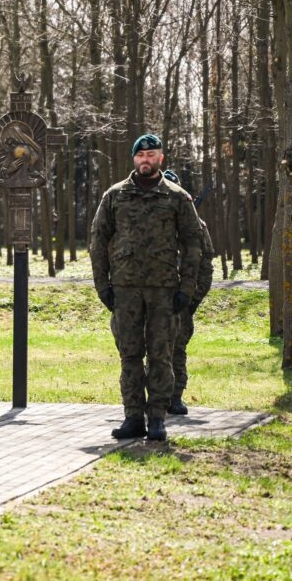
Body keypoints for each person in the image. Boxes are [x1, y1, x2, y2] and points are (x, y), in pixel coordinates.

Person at [89, 134, 202, 442]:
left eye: (151, 155)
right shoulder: (115, 196)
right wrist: (103, 286)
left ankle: (157, 419)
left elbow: (193, 244)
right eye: (141, 156)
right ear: (133, 160)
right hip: (125, 290)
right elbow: (98, 241)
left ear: (161, 159)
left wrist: (186, 288)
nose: (145, 160)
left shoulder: (177, 197)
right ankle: (133, 417)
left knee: (161, 356)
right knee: (129, 356)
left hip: (164, 291)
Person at [162, 170, 215, 416]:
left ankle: (175, 397)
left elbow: (205, 267)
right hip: (152, 297)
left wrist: (190, 300)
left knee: (176, 350)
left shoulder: (196, 225)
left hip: (180, 300)